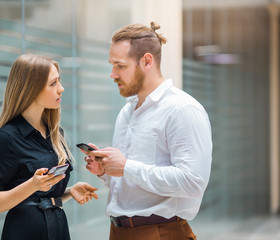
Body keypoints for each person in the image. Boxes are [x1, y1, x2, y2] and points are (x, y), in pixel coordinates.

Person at [84, 22, 212, 240]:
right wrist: (106, 172)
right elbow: (133, 182)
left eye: (120, 66)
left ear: (146, 61)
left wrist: (126, 167)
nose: (112, 74)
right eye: (111, 65)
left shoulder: (182, 109)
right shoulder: (126, 112)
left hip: (161, 233)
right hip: (118, 231)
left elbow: (193, 182)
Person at [0, 54, 98, 240]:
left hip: (58, 227)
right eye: (53, 83)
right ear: (31, 89)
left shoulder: (54, 132)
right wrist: (32, 184)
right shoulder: (7, 137)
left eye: (59, 81)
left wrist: (69, 191)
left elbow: (39, 198)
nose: (61, 89)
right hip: (25, 232)